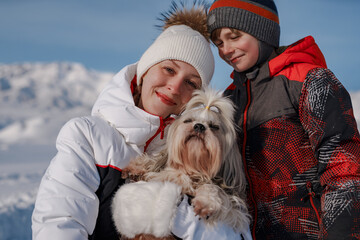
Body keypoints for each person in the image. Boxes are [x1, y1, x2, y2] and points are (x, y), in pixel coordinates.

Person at [31, 3, 219, 240]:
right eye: (169, 69)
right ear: (145, 69)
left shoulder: (190, 154)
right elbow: (60, 223)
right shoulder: (88, 136)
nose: (174, 87)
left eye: (191, 83)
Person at [207, 0, 360, 239]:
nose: (225, 49)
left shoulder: (309, 80)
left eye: (234, 37)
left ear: (262, 31)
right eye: (218, 43)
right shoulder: (227, 101)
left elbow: (344, 168)